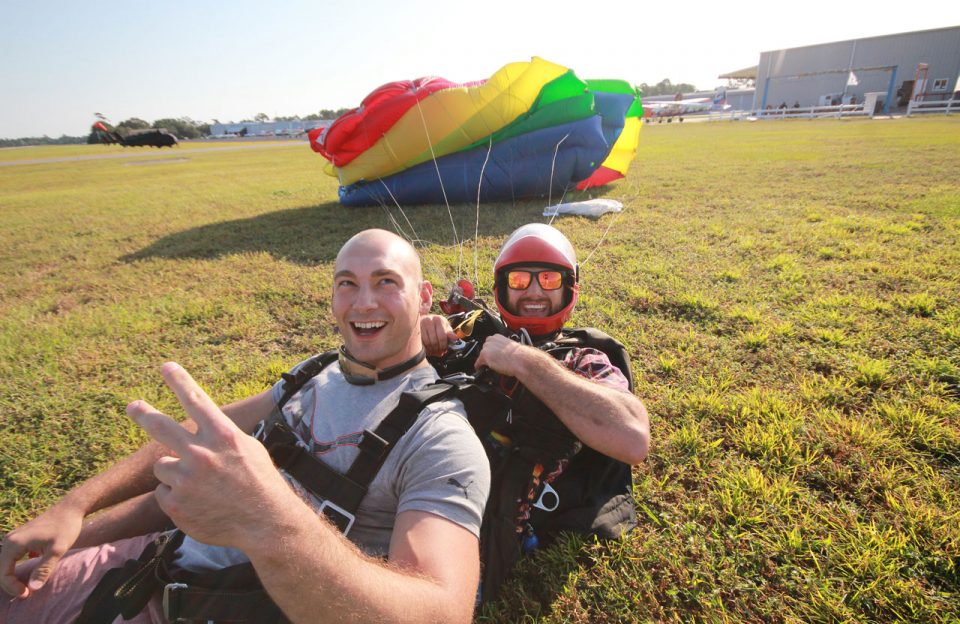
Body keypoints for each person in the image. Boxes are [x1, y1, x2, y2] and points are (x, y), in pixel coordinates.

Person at [0, 229, 490, 624]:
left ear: (424, 297)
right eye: (347, 283)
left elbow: (443, 612)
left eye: (386, 282)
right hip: (146, 570)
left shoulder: (439, 437)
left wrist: (264, 521)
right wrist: (74, 511)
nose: (363, 303)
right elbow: (199, 442)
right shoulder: (314, 374)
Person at [420, 223, 649, 598]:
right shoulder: (469, 332)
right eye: (520, 281)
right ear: (501, 289)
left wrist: (522, 361)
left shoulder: (582, 358)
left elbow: (632, 437)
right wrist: (420, 330)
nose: (535, 292)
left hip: (468, 535)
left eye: (547, 279)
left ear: (568, 288)